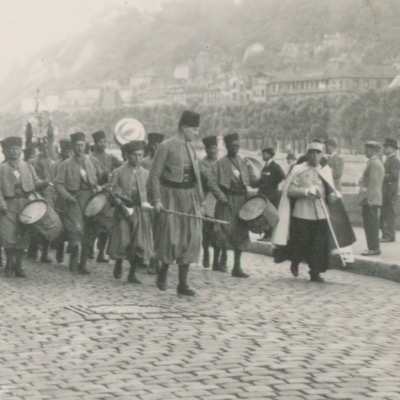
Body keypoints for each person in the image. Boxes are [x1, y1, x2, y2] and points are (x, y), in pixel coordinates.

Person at [272, 141, 355, 282]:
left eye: (317, 153)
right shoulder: (298, 169)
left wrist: (333, 195)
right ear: (307, 154)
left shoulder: (326, 170)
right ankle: (295, 261)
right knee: (301, 242)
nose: (314, 156)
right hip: (302, 213)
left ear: (322, 155)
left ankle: (315, 272)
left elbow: (329, 190)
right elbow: (289, 190)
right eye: (311, 153)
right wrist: (306, 191)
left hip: (321, 213)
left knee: (319, 245)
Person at [149, 110, 203, 296]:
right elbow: (154, 175)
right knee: (170, 237)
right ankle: (163, 272)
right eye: (194, 129)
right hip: (170, 196)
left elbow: (197, 179)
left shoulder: (191, 148)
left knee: (190, 238)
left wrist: (200, 201)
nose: (196, 133)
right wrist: (156, 200)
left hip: (189, 197)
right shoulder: (165, 146)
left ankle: (182, 284)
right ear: (184, 127)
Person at [208, 132, 258, 278]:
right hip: (226, 200)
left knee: (240, 232)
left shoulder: (245, 162)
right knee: (223, 230)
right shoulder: (219, 164)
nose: (235, 148)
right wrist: (221, 197)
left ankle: (237, 266)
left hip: (241, 199)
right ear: (226, 146)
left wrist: (264, 180)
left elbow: (253, 180)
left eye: (237, 146)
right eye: (232, 146)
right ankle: (219, 260)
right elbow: (212, 183)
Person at [55, 132, 103, 274]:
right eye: (76, 145)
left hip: (89, 199)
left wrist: (99, 187)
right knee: (75, 230)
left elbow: (101, 179)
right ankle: (73, 261)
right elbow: (58, 184)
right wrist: (68, 196)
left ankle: (83, 263)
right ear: (73, 146)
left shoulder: (93, 161)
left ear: (85, 145)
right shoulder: (65, 164)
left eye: (81, 145)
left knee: (89, 231)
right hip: (73, 200)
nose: (79, 148)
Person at [0, 137, 48, 277]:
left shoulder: (28, 166)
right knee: (8, 235)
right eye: (11, 149)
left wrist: (43, 182)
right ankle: (9, 263)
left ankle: (18, 265)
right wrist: (2, 204)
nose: (14, 151)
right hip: (9, 204)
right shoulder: (2, 168)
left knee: (23, 235)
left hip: (25, 204)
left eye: (17, 148)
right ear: (6, 152)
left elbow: (35, 182)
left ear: (21, 150)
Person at [107, 140, 154, 283]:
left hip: (140, 211)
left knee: (138, 243)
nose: (138, 158)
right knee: (123, 241)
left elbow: (149, 192)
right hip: (123, 211)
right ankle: (119, 263)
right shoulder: (118, 172)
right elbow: (113, 191)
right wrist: (121, 204)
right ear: (127, 155)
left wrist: (149, 204)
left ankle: (132, 273)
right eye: (134, 155)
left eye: (140, 155)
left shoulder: (146, 173)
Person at [90, 130, 122, 262]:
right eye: (100, 142)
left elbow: (121, 165)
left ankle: (101, 252)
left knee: (106, 225)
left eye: (104, 142)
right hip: (94, 193)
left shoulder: (110, 157)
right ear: (95, 143)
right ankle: (89, 249)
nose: (102, 144)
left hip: (107, 194)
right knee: (92, 224)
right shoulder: (90, 158)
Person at [198, 135, 227, 270]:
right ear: (206, 150)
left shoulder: (221, 162)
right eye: (210, 149)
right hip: (207, 197)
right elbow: (209, 178)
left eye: (214, 148)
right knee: (207, 230)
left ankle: (216, 260)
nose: (212, 151)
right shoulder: (202, 164)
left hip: (218, 198)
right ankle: (206, 254)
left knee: (219, 230)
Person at [28, 137, 56, 263]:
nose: (44, 150)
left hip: (49, 196)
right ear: (38, 148)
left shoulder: (52, 163)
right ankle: (32, 250)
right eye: (42, 147)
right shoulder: (33, 162)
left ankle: (45, 253)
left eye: (46, 147)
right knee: (35, 223)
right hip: (37, 194)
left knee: (48, 224)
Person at [359, 141, 385, 256]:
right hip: (372, 199)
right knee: (371, 224)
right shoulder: (374, 162)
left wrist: (368, 199)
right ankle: (373, 247)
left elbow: (373, 184)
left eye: (367, 149)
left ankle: (373, 248)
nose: (365, 151)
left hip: (371, 200)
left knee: (371, 225)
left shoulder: (374, 164)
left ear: (373, 150)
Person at [255, 147, 285, 241]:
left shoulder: (274, 166)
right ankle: (266, 235)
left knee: (270, 216)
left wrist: (271, 184)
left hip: (271, 195)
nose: (263, 156)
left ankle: (270, 235)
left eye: (264, 154)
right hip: (265, 195)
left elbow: (282, 175)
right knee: (265, 216)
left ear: (269, 154)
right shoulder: (266, 166)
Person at [51, 139, 73, 265]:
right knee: (61, 227)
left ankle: (71, 248)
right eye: (66, 151)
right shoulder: (56, 165)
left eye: (70, 151)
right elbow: (54, 183)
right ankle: (59, 250)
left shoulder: (75, 164)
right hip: (60, 200)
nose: (69, 154)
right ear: (62, 151)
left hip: (72, 199)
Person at [380, 138, 400, 243]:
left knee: (389, 214)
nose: (385, 148)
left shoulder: (395, 160)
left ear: (392, 149)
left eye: (386, 147)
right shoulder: (388, 160)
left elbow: (394, 175)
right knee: (385, 213)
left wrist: (381, 176)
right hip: (387, 191)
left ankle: (389, 236)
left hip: (390, 191)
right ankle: (386, 235)